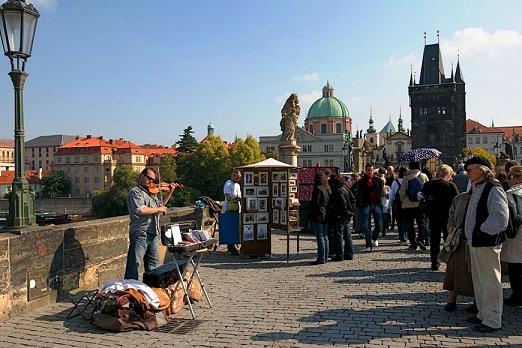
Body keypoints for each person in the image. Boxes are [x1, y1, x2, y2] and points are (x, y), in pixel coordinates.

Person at [464, 156, 508, 333]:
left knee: (490, 282)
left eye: (470, 170)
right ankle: (483, 313)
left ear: (481, 170)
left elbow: (500, 218)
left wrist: (482, 230)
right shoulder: (480, 187)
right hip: (477, 242)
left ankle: (492, 319)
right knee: (480, 280)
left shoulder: (494, 188)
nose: (467, 173)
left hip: (486, 242)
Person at [124, 167, 176, 280]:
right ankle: (130, 291)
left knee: (154, 267)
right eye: (149, 178)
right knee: (134, 265)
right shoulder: (135, 192)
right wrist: (159, 210)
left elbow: (161, 204)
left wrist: (170, 192)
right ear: (141, 176)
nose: (151, 182)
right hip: (140, 232)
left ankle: (151, 290)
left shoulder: (152, 193)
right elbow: (140, 210)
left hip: (153, 232)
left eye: (153, 179)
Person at [441, 189, 475, 313]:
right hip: (458, 240)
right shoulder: (460, 198)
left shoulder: (485, 196)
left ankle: (477, 302)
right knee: (453, 271)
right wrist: (450, 225)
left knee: (474, 272)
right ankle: (451, 300)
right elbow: (451, 214)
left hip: (474, 241)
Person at [420, 164, 459, 270]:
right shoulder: (450, 185)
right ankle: (449, 262)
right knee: (449, 239)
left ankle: (435, 262)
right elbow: (457, 201)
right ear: (447, 174)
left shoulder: (428, 184)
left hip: (432, 214)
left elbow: (419, 195)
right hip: (447, 215)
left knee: (434, 239)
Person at [500, 165, 522, 307]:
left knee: (515, 268)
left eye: (510, 177)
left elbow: (509, 216)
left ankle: (517, 295)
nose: (508, 180)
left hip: (516, 236)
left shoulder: (511, 194)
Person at [399, 161, 429, 250]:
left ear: (410, 167)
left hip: (408, 204)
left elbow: (402, 192)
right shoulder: (423, 176)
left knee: (410, 224)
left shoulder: (406, 178)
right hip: (420, 204)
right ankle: (421, 239)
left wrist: (403, 201)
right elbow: (428, 188)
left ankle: (413, 243)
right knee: (421, 223)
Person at [356, 163, 383, 252]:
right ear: (366, 170)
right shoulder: (361, 181)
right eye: (368, 170)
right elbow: (359, 193)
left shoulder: (377, 180)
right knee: (367, 226)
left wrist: (380, 201)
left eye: (371, 170)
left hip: (376, 203)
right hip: (366, 204)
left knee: (379, 224)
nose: (370, 171)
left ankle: (374, 237)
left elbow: (380, 191)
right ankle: (368, 245)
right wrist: (360, 203)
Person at [329, 173, 356, 261]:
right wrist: (352, 211)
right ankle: (349, 253)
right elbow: (353, 199)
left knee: (339, 235)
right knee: (347, 235)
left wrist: (347, 212)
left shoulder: (338, 191)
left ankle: (339, 254)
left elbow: (342, 205)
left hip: (341, 215)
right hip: (347, 215)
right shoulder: (346, 188)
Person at [309, 171, 330, 265]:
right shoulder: (326, 189)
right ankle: (325, 257)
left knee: (320, 237)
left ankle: (321, 258)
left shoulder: (318, 189)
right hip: (325, 214)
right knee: (325, 237)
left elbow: (315, 203)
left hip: (318, 214)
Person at [223, 170, 242, 255]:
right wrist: (234, 199)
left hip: (237, 208)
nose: (238, 179)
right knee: (231, 228)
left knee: (236, 228)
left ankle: (233, 244)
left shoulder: (237, 185)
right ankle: (231, 246)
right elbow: (227, 195)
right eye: (237, 177)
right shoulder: (228, 183)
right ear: (233, 176)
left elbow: (239, 195)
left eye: (239, 177)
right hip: (230, 209)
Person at [389, 167, 407, 244]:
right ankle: (404, 237)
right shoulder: (407, 181)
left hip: (397, 203)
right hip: (405, 202)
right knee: (405, 221)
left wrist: (389, 205)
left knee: (399, 221)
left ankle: (401, 237)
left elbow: (391, 195)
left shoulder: (394, 182)